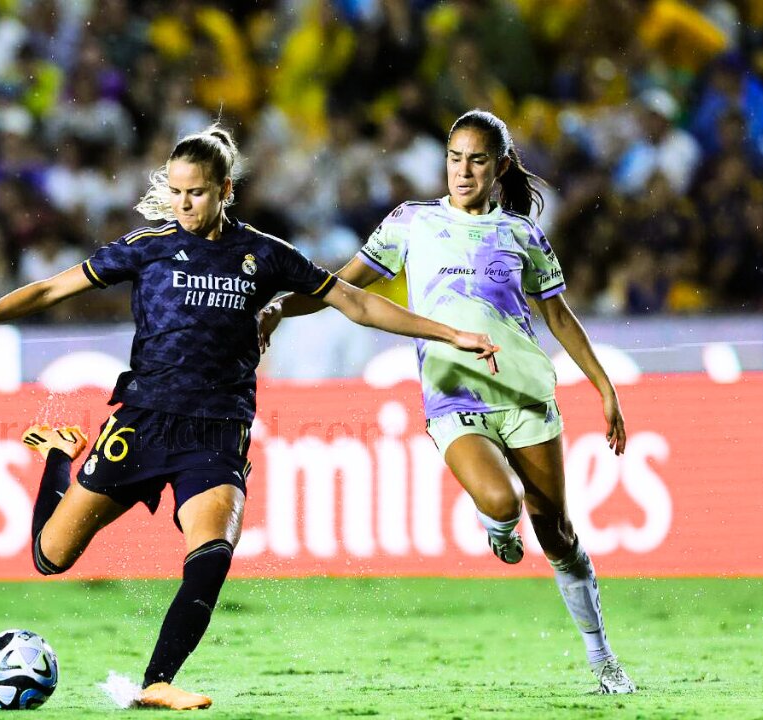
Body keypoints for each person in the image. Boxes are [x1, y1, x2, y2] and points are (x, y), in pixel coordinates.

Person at [0, 124, 500, 710]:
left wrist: (450, 331)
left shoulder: (264, 255)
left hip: (218, 429)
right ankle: (58, 452)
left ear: (225, 189)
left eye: (196, 193)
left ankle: (156, 681)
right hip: (142, 421)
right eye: (176, 192)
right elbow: (53, 290)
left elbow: (355, 302)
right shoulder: (147, 246)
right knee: (50, 558)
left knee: (211, 557)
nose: (182, 203)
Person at [260, 109, 636, 695]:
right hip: (452, 395)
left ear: (500, 167)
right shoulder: (412, 222)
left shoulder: (522, 235)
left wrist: (605, 387)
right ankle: (498, 525)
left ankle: (602, 655)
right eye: (454, 157)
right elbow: (343, 284)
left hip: (526, 396)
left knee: (558, 534)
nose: (462, 170)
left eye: (477, 159)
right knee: (499, 499)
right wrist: (282, 305)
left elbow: (558, 317)